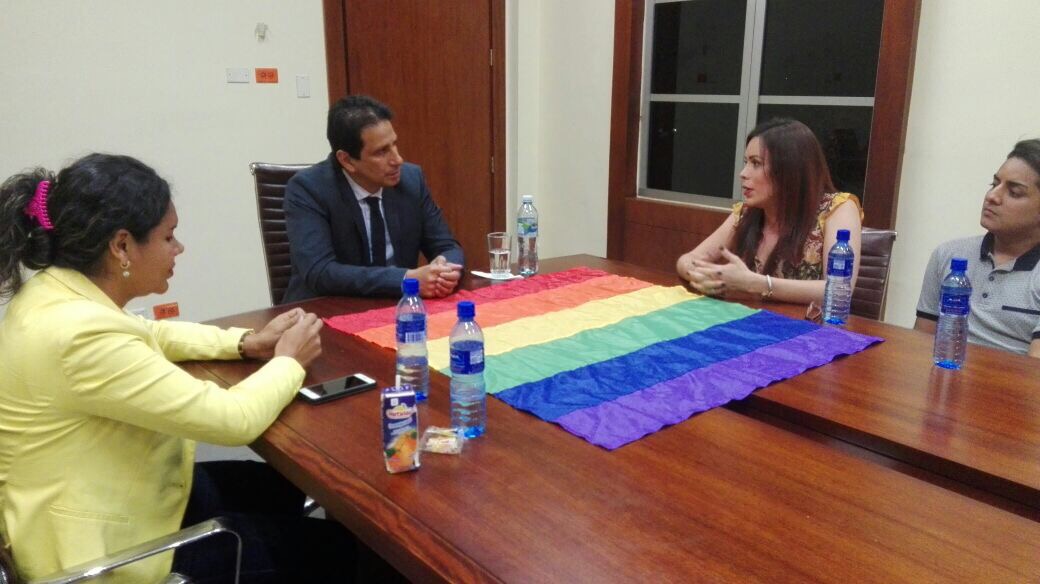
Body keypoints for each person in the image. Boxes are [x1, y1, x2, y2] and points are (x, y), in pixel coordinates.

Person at [0, 154, 362, 582]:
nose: (179, 249)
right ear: (121, 246)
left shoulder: (55, 293)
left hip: (125, 493)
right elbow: (232, 419)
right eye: (168, 237)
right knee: (348, 554)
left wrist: (245, 342)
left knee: (282, 488)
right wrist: (288, 361)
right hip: (108, 556)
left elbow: (150, 332)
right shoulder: (78, 335)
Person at [283, 95, 464, 302]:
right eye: (381, 152)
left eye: (394, 144)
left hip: (399, 306)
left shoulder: (411, 180)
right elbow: (321, 272)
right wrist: (405, 279)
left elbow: (447, 246)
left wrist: (444, 268)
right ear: (347, 160)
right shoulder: (308, 189)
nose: (398, 159)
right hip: (328, 308)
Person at [676, 118, 863, 305]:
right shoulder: (746, 212)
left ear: (789, 170)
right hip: (754, 318)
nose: (743, 173)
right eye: (746, 162)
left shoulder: (838, 208)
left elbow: (839, 290)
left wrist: (756, 284)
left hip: (806, 322)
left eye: (756, 163)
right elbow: (688, 260)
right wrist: (705, 276)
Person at [914, 139, 1040, 358]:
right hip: (944, 371)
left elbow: (1035, 371)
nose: (992, 196)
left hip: (1011, 379)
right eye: (994, 184)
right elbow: (919, 343)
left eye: (1014, 192)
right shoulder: (949, 254)